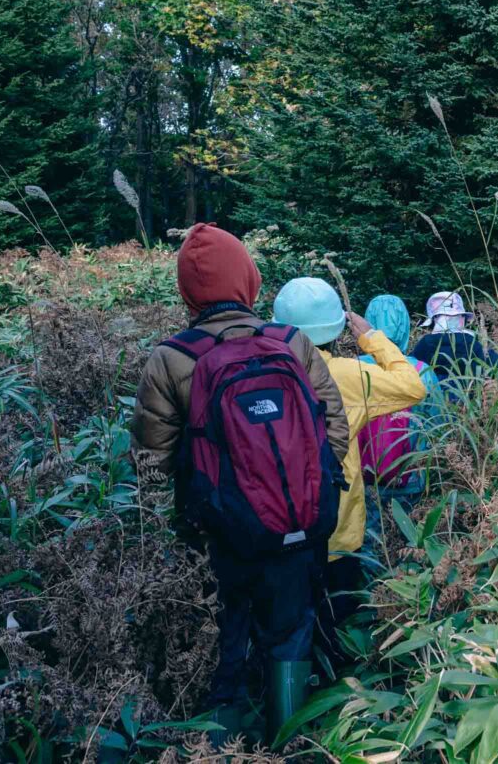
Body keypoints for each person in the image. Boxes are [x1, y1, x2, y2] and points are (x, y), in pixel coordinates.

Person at [131, 224, 350, 743]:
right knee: (291, 632)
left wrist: (200, 517)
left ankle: (220, 746)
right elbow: (332, 430)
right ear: (250, 280)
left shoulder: (172, 357)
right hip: (299, 527)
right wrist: (292, 491)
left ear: (187, 292)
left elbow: (150, 463)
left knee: (223, 641)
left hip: (220, 536)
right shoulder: (290, 342)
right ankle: (286, 739)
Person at [271, 278, 427, 662]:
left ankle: (284, 698)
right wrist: (372, 338)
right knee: (338, 621)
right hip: (337, 527)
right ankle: (340, 699)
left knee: (283, 629)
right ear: (337, 328)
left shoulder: (263, 368)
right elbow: (412, 386)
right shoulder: (349, 374)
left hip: (274, 524)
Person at [355, 294, 442, 556]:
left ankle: (369, 591)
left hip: (365, 479)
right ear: (405, 326)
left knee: (370, 542)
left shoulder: (351, 369)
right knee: (409, 544)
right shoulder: (422, 371)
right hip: (412, 478)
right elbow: (438, 425)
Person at [411, 290, 498, 388]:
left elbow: (409, 369)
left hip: (432, 403)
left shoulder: (425, 344)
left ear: (434, 321)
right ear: (461, 319)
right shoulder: (469, 343)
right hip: (467, 404)